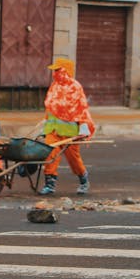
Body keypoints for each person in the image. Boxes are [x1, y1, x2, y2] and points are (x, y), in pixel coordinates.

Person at [38, 57, 95, 196]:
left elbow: (81, 108)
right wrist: (45, 124)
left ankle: (83, 180)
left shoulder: (75, 87)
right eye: (54, 71)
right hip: (53, 130)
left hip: (70, 132)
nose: (55, 73)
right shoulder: (54, 85)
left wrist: (83, 127)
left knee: (73, 159)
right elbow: (50, 107)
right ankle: (49, 184)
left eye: (58, 70)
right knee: (50, 156)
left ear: (66, 71)